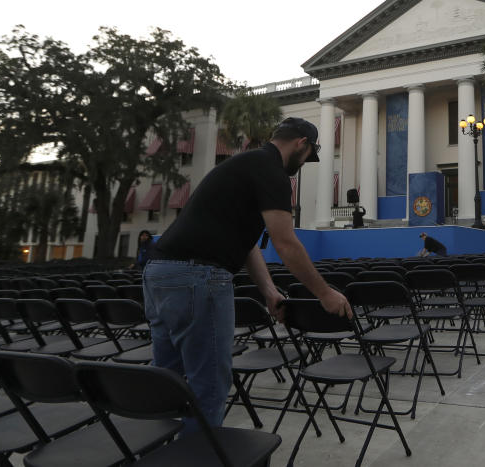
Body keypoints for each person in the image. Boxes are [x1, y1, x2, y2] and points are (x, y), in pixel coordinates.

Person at [143, 117, 352, 431]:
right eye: (309, 155)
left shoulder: (244, 165)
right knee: (208, 384)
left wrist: (268, 291)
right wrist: (324, 293)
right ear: (302, 144)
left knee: (168, 378)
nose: (306, 162)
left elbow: (246, 243)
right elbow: (285, 242)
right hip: (198, 277)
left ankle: (160, 452)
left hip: (159, 274)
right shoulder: (273, 172)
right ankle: (197, 456)